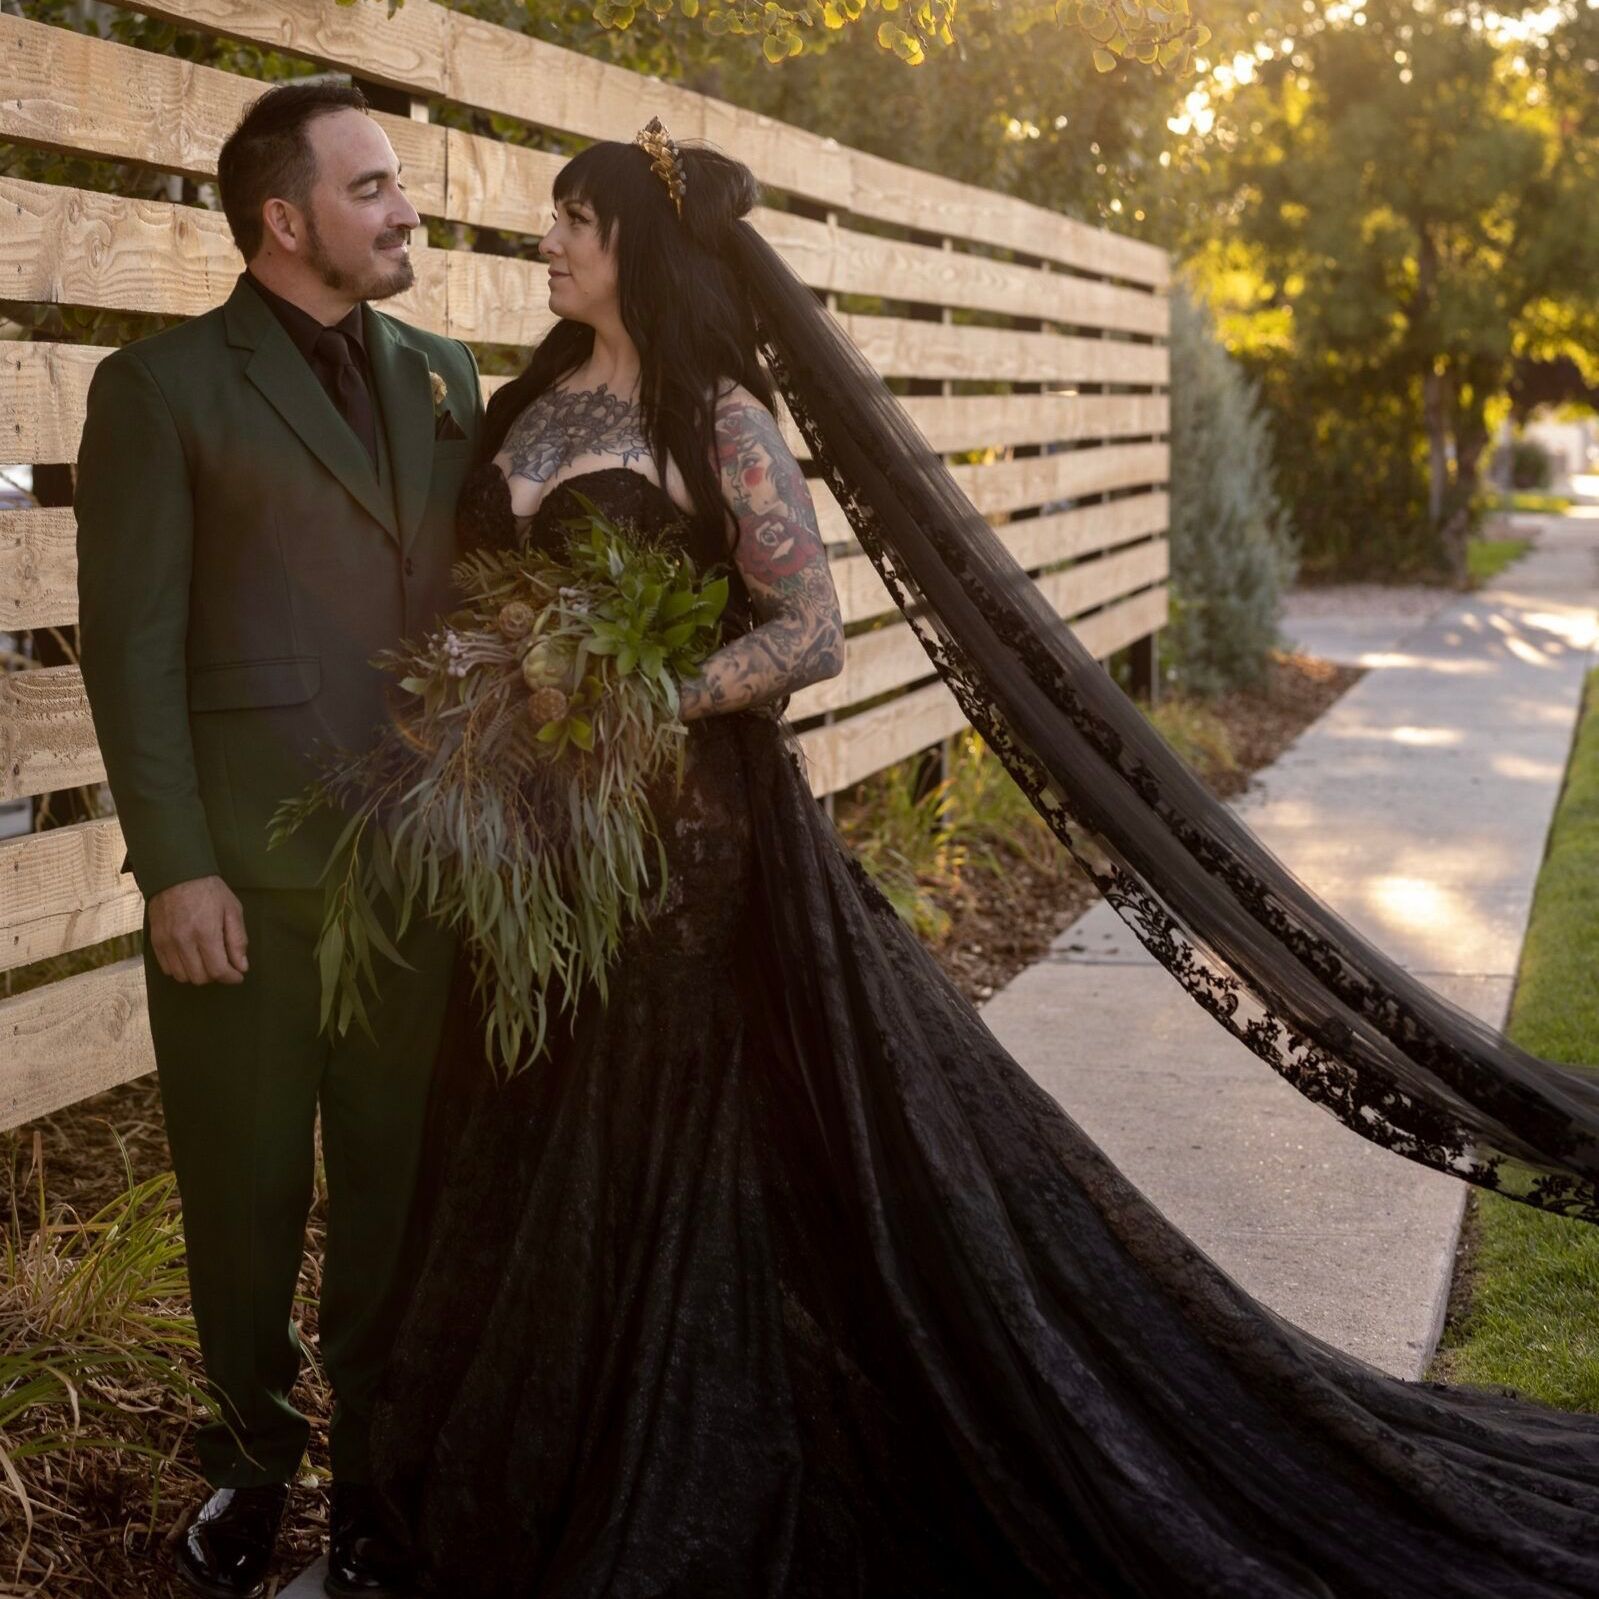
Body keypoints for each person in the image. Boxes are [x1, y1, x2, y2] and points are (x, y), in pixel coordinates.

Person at [369, 124, 1599, 1597]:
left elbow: (808, 633)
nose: (550, 238)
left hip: (683, 849)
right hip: (533, 845)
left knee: (661, 1135)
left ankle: (672, 1454)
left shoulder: (719, 423)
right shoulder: (527, 403)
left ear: (645, 244)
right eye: (553, 217)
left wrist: (645, 695)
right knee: (524, 1113)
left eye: (576, 216)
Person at [74, 82, 483, 1598]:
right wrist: (176, 864)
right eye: (372, 187)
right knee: (241, 1194)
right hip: (241, 878)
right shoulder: (161, 388)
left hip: (420, 871)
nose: (406, 209)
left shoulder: (446, 373)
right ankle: (250, 1465)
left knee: (396, 1189)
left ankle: (374, 1473)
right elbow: (130, 648)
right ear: (284, 218)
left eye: (402, 183)